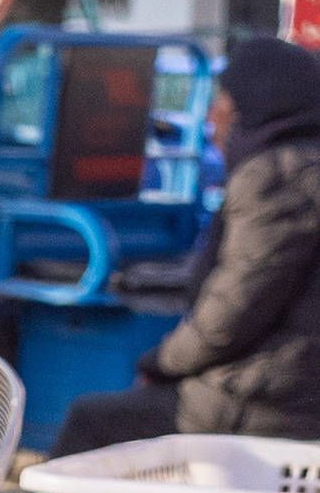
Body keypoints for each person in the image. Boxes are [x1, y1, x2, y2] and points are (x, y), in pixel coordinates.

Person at [55, 37, 320, 452]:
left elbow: (230, 316)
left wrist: (159, 364)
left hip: (264, 403)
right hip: (288, 390)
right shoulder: (301, 165)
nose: (213, 116)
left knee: (89, 423)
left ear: (256, 106)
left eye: (225, 100)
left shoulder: (274, 178)